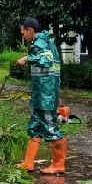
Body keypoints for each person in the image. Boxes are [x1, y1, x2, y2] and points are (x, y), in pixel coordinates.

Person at [15, 17, 67, 175]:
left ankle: (58, 164)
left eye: (23, 33)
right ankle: (28, 163)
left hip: (45, 96)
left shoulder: (39, 43)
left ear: (31, 30)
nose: (23, 37)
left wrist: (27, 58)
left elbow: (46, 60)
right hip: (43, 94)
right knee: (35, 127)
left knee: (50, 127)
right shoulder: (47, 42)